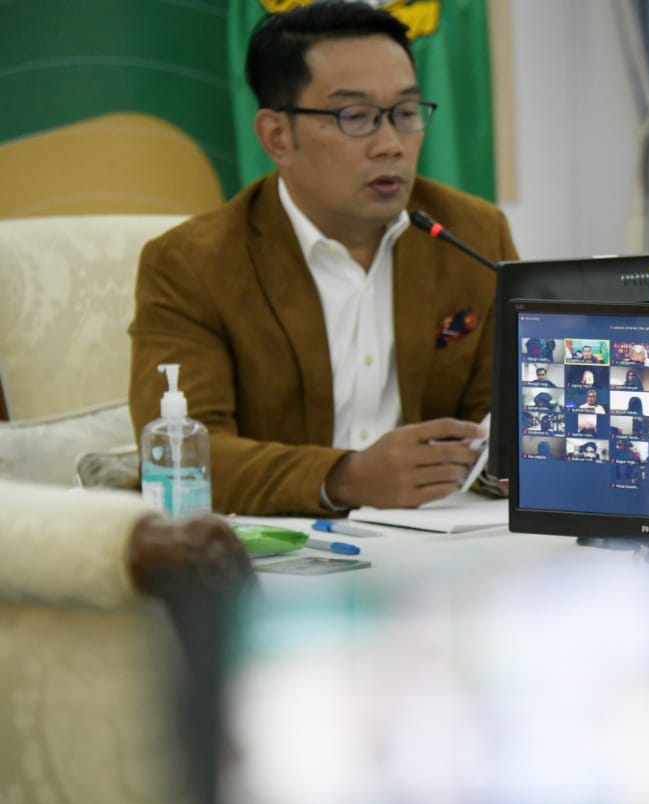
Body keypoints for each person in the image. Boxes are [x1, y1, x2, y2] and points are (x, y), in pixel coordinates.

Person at [127, 3, 518, 516]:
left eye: (405, 113)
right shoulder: (191, 264)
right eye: (355, 117)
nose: (391, 145)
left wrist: (513, 457)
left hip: (443, 538)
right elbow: (186, 454)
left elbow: (503, 411)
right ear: (277, 137)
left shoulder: (471, 234)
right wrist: (345, 478)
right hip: (281, 548)